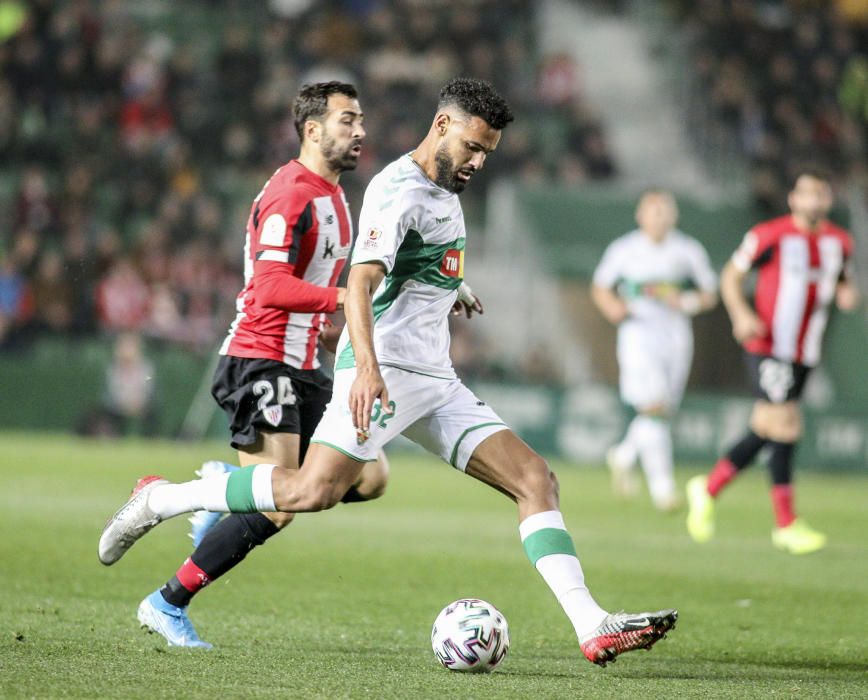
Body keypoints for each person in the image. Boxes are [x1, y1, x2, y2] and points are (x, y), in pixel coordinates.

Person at [100, 77, 677, 666]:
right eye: (474, 147)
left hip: (435, 378)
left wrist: (450, 286)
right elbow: (361, 283)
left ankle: (592, 624)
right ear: (443, 125)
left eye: (488, 153)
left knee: (534, 480)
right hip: (386, 370)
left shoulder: (444, 188)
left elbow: (412, 260)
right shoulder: (396, 189)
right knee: (306, 491)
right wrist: (369, 372)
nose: (479, 161)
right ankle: (164, 499)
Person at [134, 82, 391, 648]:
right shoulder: (291, 194)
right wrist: (347, 302)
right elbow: (270, 287)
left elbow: (311, 289)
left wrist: (329, 330)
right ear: (312, 129)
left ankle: (231, 485)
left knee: (370, 477)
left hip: (301, 364)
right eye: (348, 120)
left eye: (362, 119)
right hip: (259, 358)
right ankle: (166, 601)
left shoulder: (336, 196)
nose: (361, 131)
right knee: (281, 505)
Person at [686, 170, 859, 554]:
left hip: (805, 351)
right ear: (793, 199)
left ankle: (707, 488)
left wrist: (848, 293)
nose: (814, 200)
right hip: (768, 344)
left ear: (828, 201)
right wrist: (741, 316)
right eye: (807, 193)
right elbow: (731, 277)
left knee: (766, 427)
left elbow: (843, 279)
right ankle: (785, 523)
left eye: (821, 194)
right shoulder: (769, 235)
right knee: (786, 424)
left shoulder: (839, 242)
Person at [592, 190, 718, 511]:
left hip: (675, 335)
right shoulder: (625, 249)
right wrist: (614, 310)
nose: (659, 218)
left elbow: (709, 293)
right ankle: (664, 489)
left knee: (662, 410)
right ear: (641, 215)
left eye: (665, 212)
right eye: (653, 211)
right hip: (639, 335)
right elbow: (601, 286)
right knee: (655, 407)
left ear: (674, 216)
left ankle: (623, 455)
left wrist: (686, 302)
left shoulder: (686, 250)